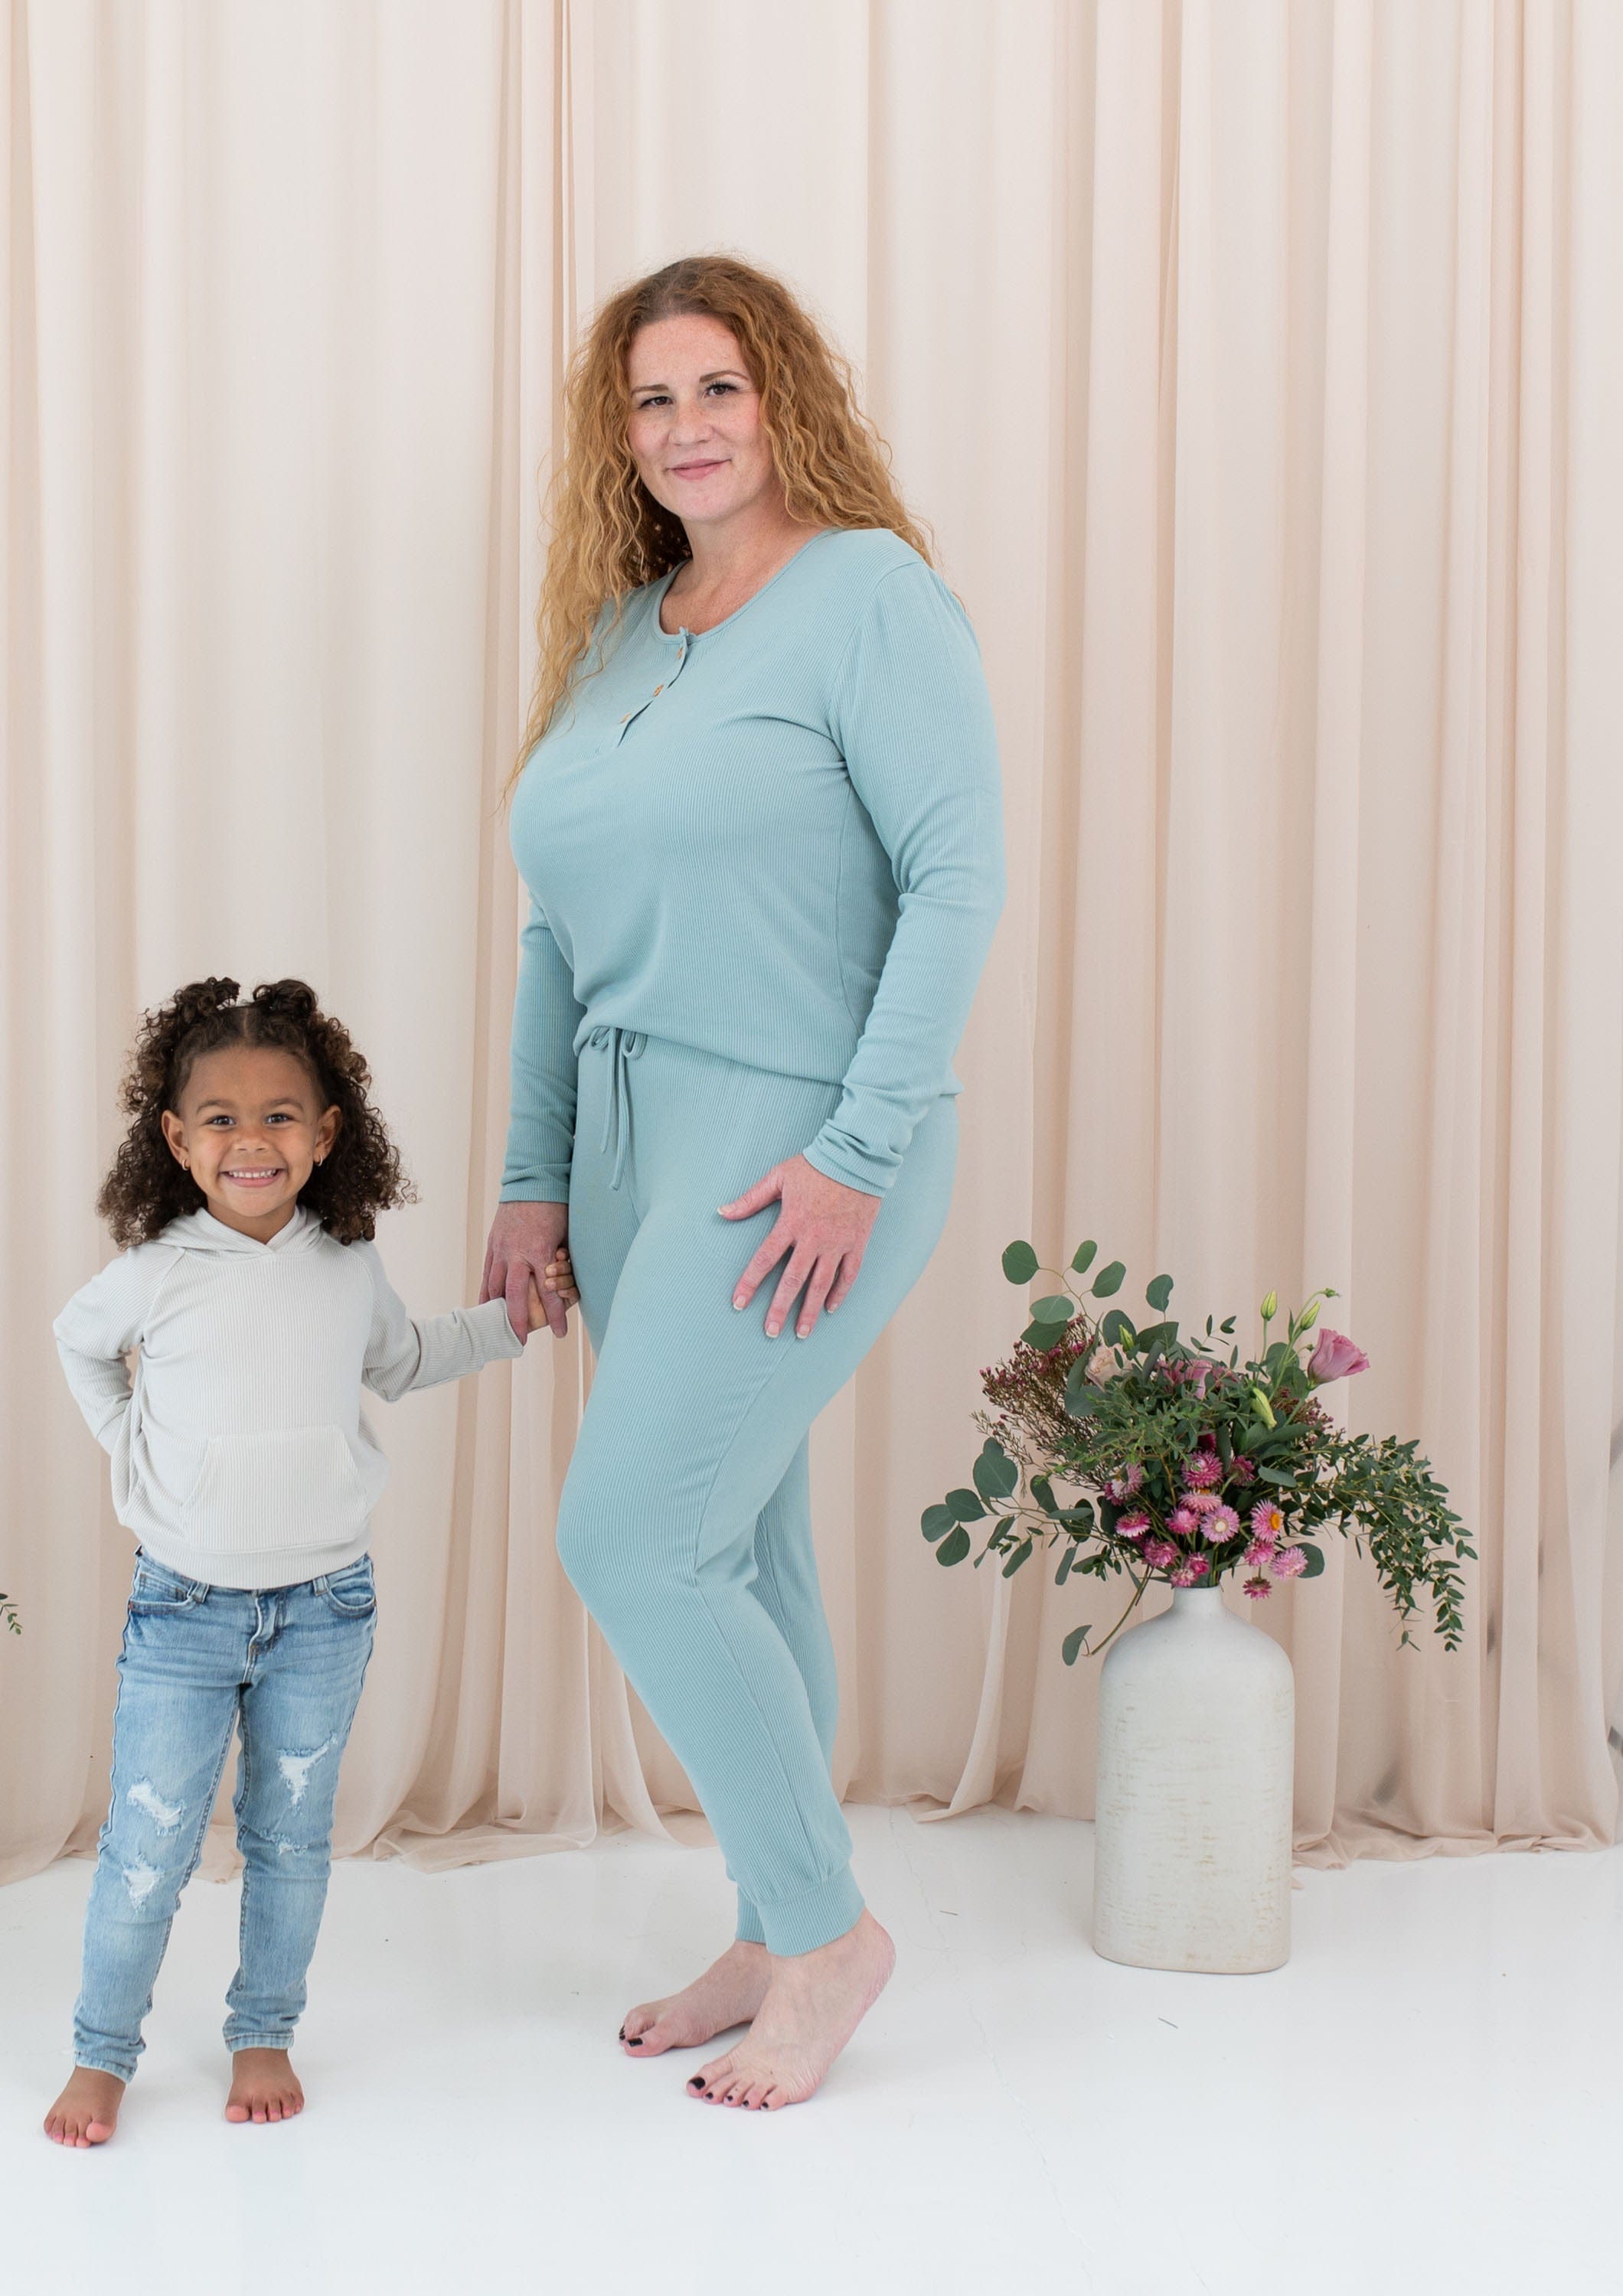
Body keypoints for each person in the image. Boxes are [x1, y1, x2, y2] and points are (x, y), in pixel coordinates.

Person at [482, 255, 1006, 2112]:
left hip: (801, 1141)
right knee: (741, 1545)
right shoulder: (626, 632)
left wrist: (857, 1153)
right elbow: (556, 938)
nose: (687, 427)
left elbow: (956, 879)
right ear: (616, 438)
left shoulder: (871, 596)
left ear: (784, 396)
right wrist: (533, 1182)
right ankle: (776, 1925)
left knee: (632, 1536)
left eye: (720, 387)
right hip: (625, 1163)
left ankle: (833, 1931)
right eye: (651, 400)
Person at [44, 975, 574, 2147]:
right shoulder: (156, 1271)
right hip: (182, 1608)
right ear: (176, 1142)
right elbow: (81, 1349)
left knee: (291, 1841)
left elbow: (403, 1361)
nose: (252, 1140)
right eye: (221, 1118)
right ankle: (102, 2051)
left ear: (327, 1135)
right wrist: (132, 1452)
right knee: (148, 1845)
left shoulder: (346, 1265)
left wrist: (510, 1322)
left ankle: (264, 2029)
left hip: (325, 1608)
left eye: (281, 1114)